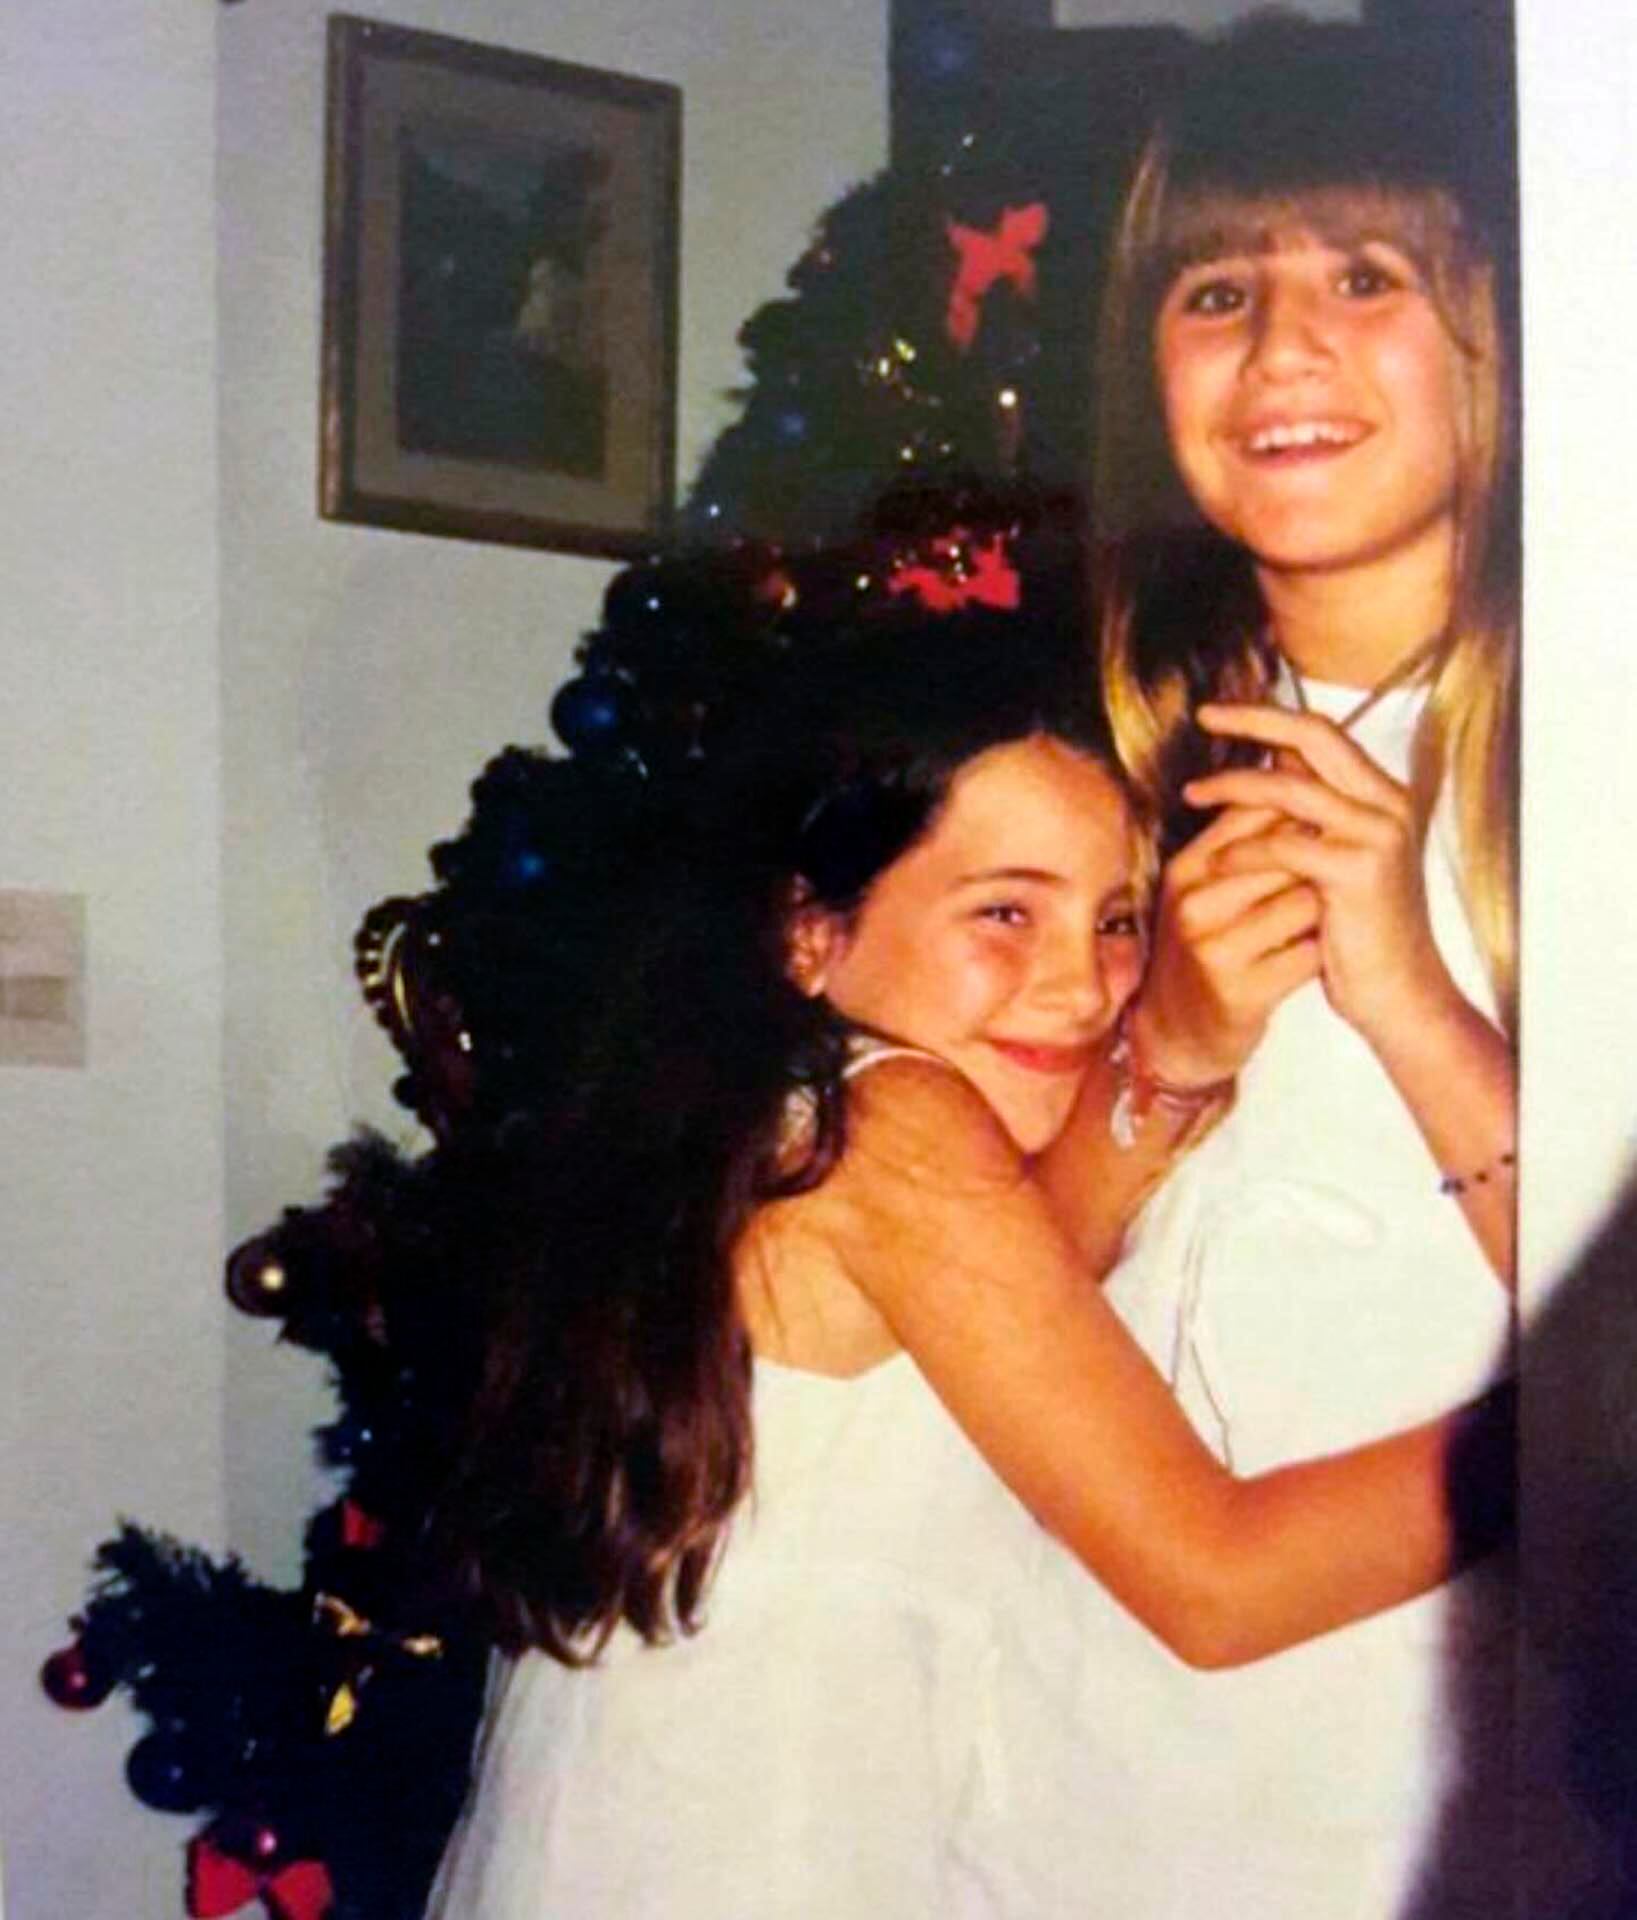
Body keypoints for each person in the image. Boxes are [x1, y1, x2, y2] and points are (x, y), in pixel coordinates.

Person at [422, 610, 1510, 1919]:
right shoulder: (888, 1124)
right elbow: (1216, 1584)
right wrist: (1567, 1422)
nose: (1081, 987)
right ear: (809, 929)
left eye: (1117, 921)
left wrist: (1165, 1070)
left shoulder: (777, 1119)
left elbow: (1027, 1282)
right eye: (1005, 912)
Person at [1029, 22, 1519, 1916]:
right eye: (1217, 291)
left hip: (1471, 1765)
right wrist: (1163, 1051)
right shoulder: (1092, 770)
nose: (1282, 350)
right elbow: (976, 1295)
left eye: (1365, 277)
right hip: (1102, 1758)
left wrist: (1413, 1008)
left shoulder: (1581, 753)